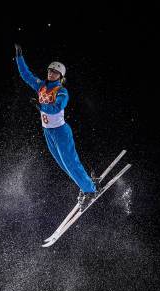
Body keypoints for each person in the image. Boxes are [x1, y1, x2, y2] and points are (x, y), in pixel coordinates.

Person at [14, 44, 98, 208]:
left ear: (60, 76)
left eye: (54, 72)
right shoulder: (41, 86)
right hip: (48, 132)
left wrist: (40, 107)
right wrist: (19, 57)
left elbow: (57, 107)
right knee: (62, 164)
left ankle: (91, 190)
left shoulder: (61, 91)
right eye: (49, 71)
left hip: (60, 132)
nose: (50, 73)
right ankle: (85, 184)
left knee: (70, 162)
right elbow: (26, 75)